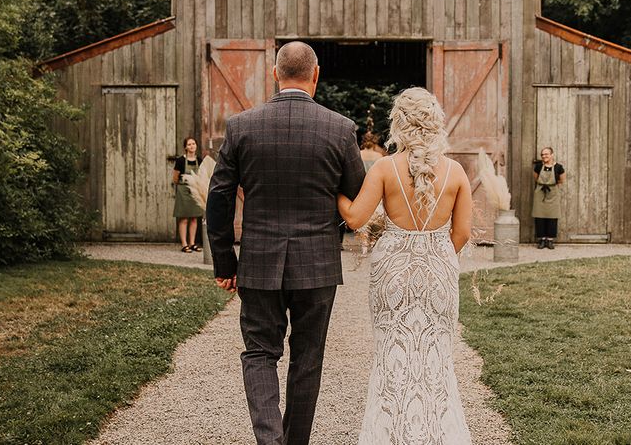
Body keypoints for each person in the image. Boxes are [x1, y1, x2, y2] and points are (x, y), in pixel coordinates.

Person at [206, 41, 365, 445]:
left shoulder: (241, 125)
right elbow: (357, 196)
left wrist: (225, 263)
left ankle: (268, 440)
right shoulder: (341, 128)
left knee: (260, 352)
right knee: (307, 359)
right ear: (316, 75)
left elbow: (219, 197)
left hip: (258, 261)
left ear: (275, 74)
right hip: (318, 265)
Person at [338, 87, 473, 444]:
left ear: (397, 123)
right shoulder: (456, 172)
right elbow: (461, 232)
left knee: (391, 355)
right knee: (437, 358)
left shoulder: (385, 168)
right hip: (439, 271)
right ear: (435, 124)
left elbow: (354, 218)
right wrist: (436, 256)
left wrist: (334, 189)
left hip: (393, 271)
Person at [172, 136, 203, 253]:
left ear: (196, 146)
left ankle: (192, 243)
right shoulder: (180, 161)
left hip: (195, 191)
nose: (192, 146)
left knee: (194, 218)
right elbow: (175, 178)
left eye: (193, 144)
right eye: (189, 144)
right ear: (185, 147)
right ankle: (184, 244)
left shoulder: (199, 160)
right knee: (184, 218)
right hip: (184, 192)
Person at [532, 146, 566, 249]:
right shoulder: (538, 167)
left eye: (546, 154)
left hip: (553, 193)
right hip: (540, 193)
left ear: (552, 155)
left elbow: (561, 180)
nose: (544, 156)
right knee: (539, 216)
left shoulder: (559, 167)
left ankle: (550, 240)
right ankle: (542, 240)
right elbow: (536, 178)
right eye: (542, 154)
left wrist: (550, 185)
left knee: (552, 217)